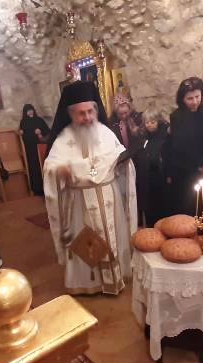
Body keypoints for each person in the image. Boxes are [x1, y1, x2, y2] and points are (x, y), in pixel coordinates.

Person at [43, 81, 137, 295]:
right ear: (71, 114)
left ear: (96, 110)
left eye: (90, 111)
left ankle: (115, 277)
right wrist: (60, 171)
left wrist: (123, 162)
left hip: (108, 197)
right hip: (80, 203)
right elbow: (50, 166)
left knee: (111, 238)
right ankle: (91, 283)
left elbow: (120, 155)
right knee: (85, 241)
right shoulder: (64, 138)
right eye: (80, 113)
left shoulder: (105, 132)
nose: (86, 117)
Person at [164, 77, 203, 216]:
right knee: (187, 208)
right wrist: (199, 164)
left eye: (197, 97)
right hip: (185, 169)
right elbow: (180, 145)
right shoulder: (176, 116)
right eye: (190, 98)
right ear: (182, 99)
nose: (194, 102)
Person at [108, 94, 146, 220]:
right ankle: (129, 216)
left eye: (126, 112)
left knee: (139, 189)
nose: (124, 116)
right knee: (126, 190)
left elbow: (140, 140)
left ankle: (140, 216)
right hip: (122, 161)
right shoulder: (111, 124)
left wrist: (129, 154)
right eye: (121, 114)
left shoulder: (137, 119)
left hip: (137, 158)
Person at [138, 109, 169, 225]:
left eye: (152, 122)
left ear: (158, 121)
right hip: (148, 179)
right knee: (150, 210)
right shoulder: (144, 137)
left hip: (160, 178)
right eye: (147, 122)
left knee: (161, 210)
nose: (149, 125)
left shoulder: (164, 135)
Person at [19, 104, 50, 196]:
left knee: (43, 166)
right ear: (25, 112)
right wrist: (21, 132)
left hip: (40, 147)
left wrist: (40, 134)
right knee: (34, 168)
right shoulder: (23, 122)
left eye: (31, 109)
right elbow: (22, 133)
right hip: (30, 149)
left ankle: (47, 187)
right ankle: (37, 189)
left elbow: (48, 132)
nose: (30, 112)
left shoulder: (39, 120)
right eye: (28, 110)